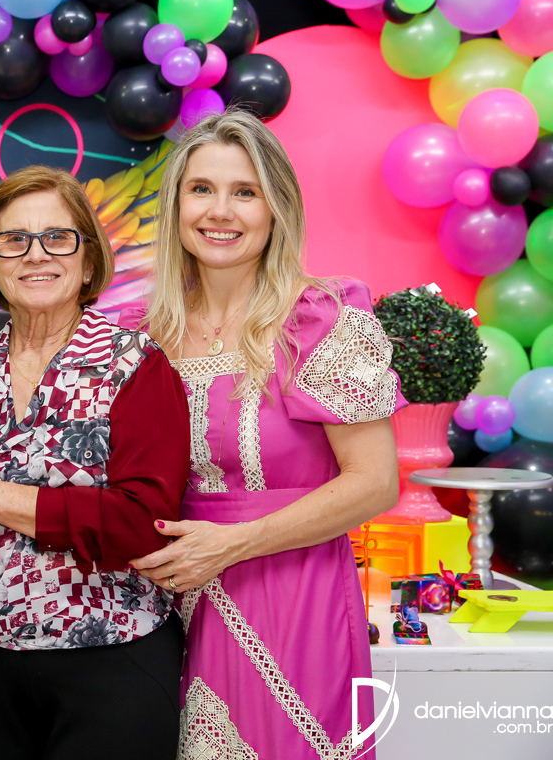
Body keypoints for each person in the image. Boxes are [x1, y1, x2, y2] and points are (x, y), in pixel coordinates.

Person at [133, 109, 404, 759]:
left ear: (276, 207)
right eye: (201, 189)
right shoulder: (147, 333)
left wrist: (230, 544)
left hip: (295, 597)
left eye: (245, 192)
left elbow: (376, 483)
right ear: (176, 205)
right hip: (168, 609)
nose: (220, 211)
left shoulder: (323, 318)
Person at [0, 165, 191, 759]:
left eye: (57, 238)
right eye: (14, 240)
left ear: (88, 262)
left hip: (112, 659)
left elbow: (143, 523)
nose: (36, 254)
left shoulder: (136, 365)